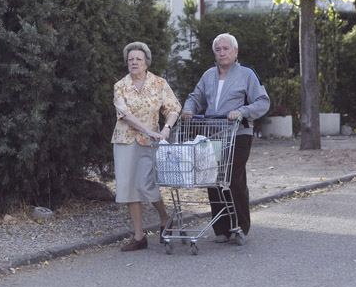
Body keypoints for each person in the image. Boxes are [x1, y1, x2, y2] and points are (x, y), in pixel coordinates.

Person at [181, 33, 270, 242]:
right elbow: (195, 97)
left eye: (226, 49)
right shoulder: (208, 75)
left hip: (238, 134)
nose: (221, 53)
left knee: (233, 178)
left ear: (235, 52)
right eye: (218, 50)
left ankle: (239, 227)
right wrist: (188, 110)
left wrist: (242, 111)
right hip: (214, 133)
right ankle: (221, 229)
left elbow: (262, 101)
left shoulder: (246, 74)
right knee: (212, 179)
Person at [111, 42, 181, 252]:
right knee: (129, 187)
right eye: (130, 59)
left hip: (151, 142)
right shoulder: (120, 86)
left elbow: (174, 107)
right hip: (125, 141)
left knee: (149, 185)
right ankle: (139, 236)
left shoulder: (159, 83)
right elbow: (124, 114)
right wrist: (147, 129)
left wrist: (166, 128)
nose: (134, 62)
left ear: (146, 62)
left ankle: (164, 218)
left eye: (138, 59)